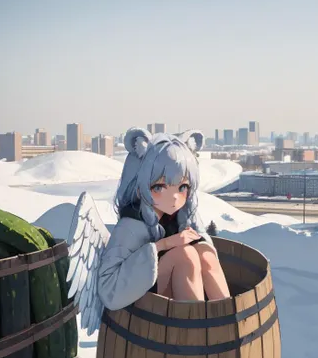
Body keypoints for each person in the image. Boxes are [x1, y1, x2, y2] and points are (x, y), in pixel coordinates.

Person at [96, 127, 230, 311]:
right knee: (185, 255)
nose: (174, 197)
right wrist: (164, 245)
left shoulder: (184, 214)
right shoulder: (131, 225)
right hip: (145, 304)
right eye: (159, 187)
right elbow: (108, 289)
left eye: (182, 187)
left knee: (204, 254)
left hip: (172, 289)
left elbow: (204, 251)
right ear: (139, 185)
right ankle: (195, 331)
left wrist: (199, 243)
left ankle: (227, 320)